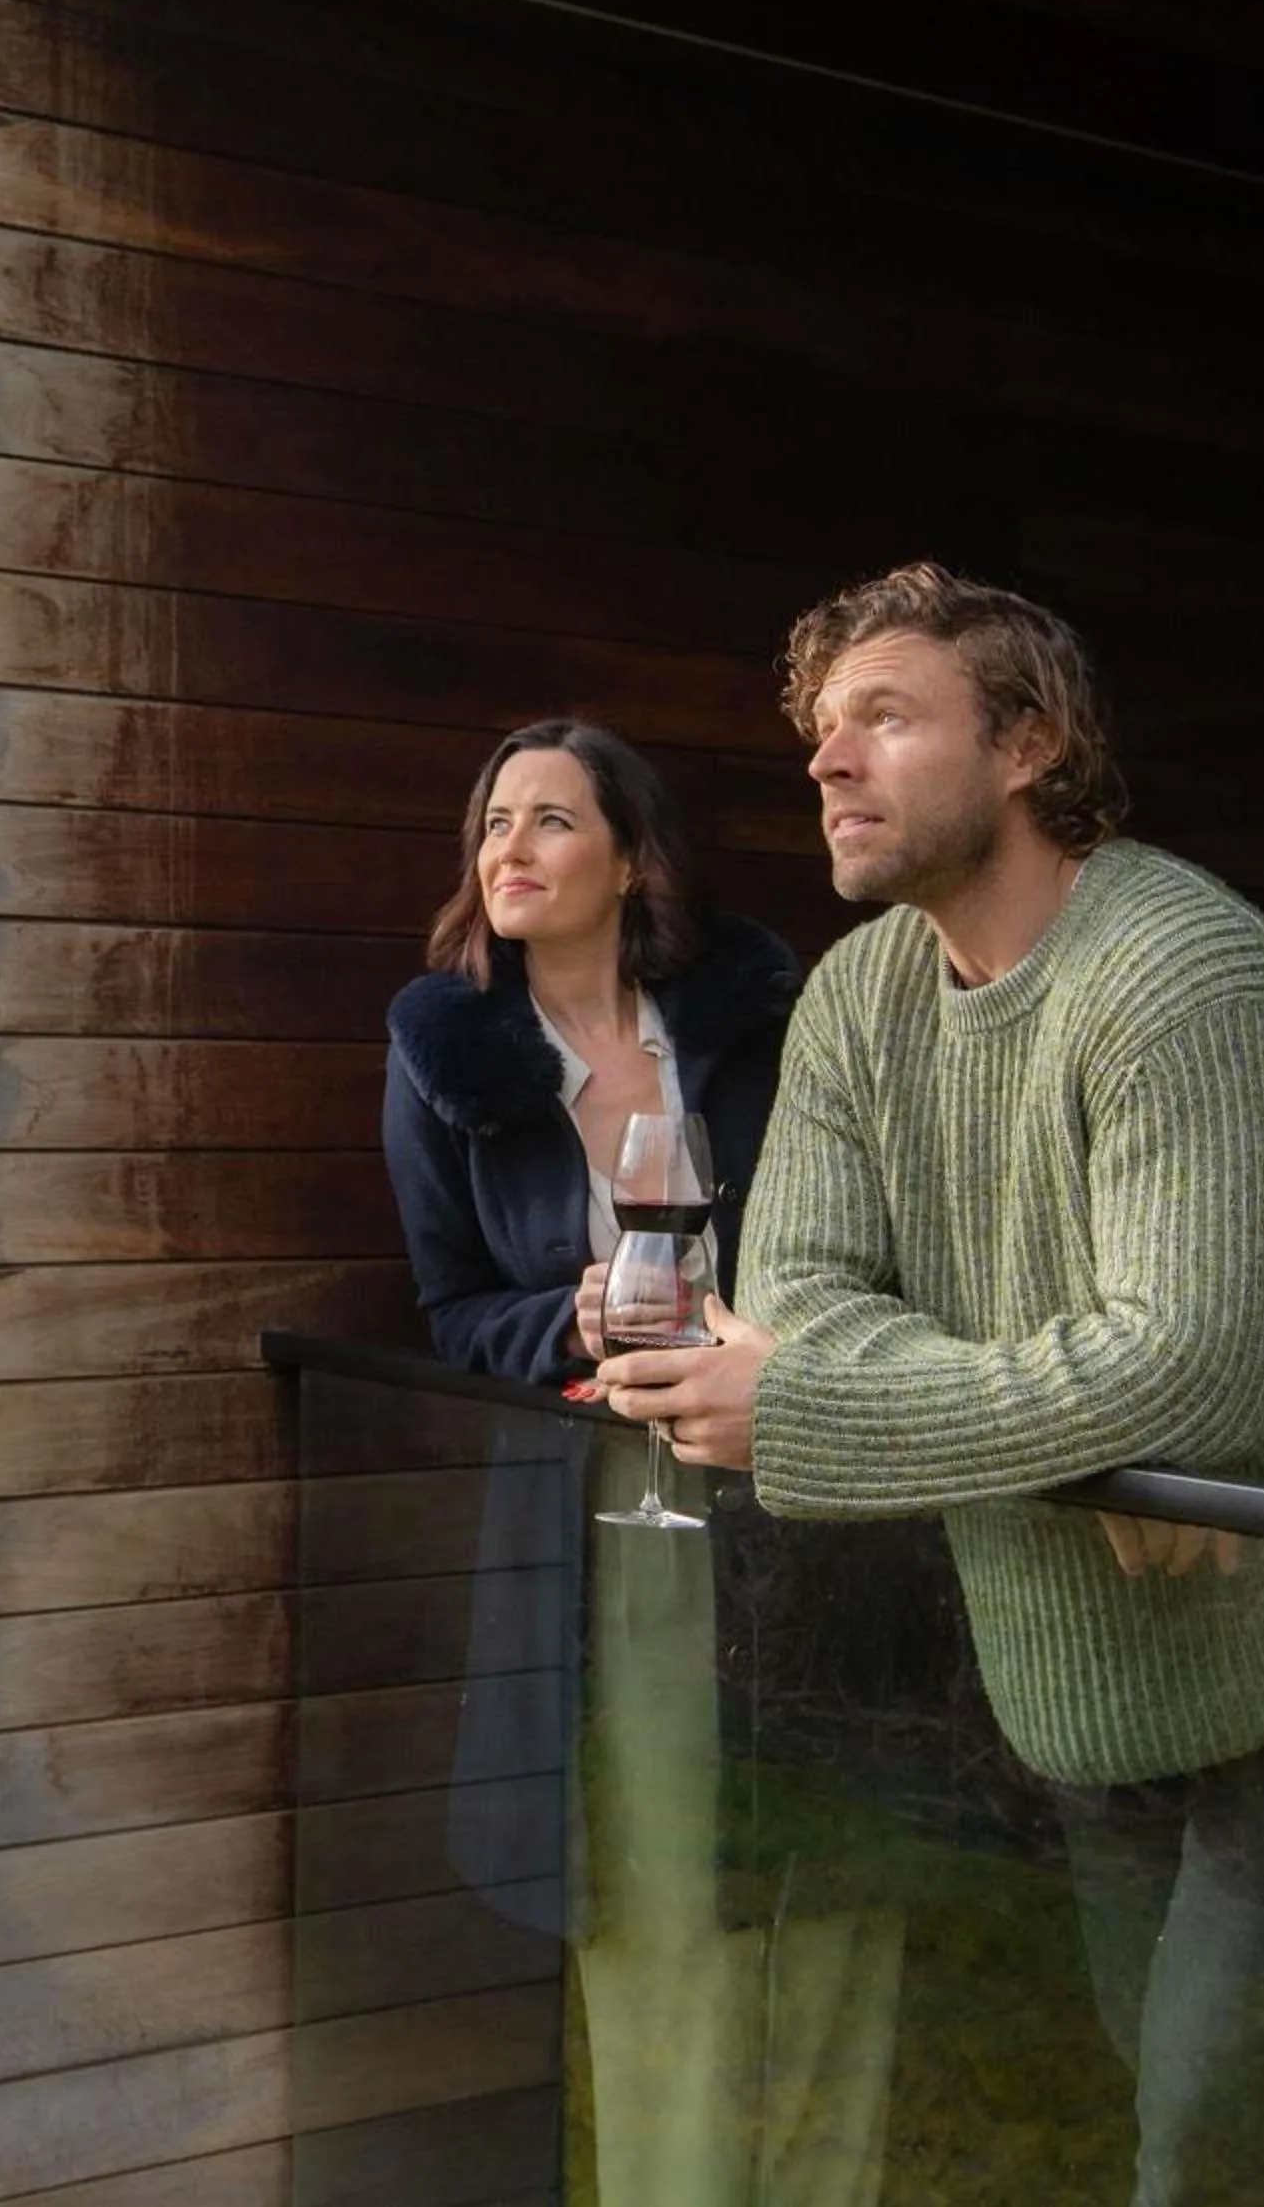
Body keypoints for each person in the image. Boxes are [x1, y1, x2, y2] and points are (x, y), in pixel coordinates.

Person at [598, 564, 1264, 2205]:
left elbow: (1186, 1367)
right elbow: (796, 1292)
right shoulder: (864, 998)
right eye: (819, 730)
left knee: (1207, 2152)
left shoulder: (1182, 976)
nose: (826, 761)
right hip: (1085, 1666)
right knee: (1164, 2093)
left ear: (1026, 742)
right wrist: (1076, 1441)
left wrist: (820, 1405)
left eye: (883, 715)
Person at [384, 719, 899, 2206]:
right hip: (616, 1512)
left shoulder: (754, 1022)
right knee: (657, 1891)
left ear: (629, 858)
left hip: (803, 1480)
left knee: (843, 1887)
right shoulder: (446, 1050)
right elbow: (452, 1312)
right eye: (494, 822)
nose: (511, 849)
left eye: (551, 820)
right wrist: (572, 1310)